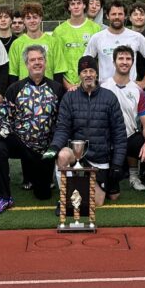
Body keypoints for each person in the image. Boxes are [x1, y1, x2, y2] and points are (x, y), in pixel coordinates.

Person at [0, 45, 64, 214]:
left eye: (40, 59)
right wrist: (7, 136)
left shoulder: (57, 88)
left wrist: (53, 148)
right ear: (26, 64)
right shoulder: (15, 88)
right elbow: (4, 118)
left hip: (45, 150)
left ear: (45, 62)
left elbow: (62, 122)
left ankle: (42, 177)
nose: (36, 63)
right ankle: (4, 197)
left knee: (43, 194)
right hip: (20, 144)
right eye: (32, 60)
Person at [43, 56, 127, 207]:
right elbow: (62, 128)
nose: (88, 74)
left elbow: (119, 133)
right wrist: (54, 147)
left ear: (96, 74)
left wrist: (117, 164)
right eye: (84, 71)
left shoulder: (109, 97)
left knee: (101, 201)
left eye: (91, 71)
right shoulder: (70, 97)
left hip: (101, 158)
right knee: (62, 155)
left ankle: (86, 184)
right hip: (78, 156)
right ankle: (66, 198)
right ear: (79, 74)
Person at [102, 45, 145, 193]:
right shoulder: (103, 87)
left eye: (128, 58)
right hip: (106, 142)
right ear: (114, 62)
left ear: (132, 62)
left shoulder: (137, 90)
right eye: (121, 58)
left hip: (129, 138)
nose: (124, 62)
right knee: (110, 195)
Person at [85, 0, 145, 88]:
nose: (117, 17)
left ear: (125, 16)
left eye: (120, 14)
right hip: (105, 90)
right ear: (107, 16)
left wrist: (144, 82)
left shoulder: (136, 37)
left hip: (130, 90)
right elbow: (85, 61)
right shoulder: (97, 37)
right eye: (113, 14)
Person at [53, 0, 101, 89]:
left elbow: (99, 59)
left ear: (84, 5)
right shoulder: (58, 31)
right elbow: (57, 62)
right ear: (68, 7)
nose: (76, 6)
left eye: (79, 3)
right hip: (67, 85)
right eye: (72, 4)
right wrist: (68, 85)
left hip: (90, 83)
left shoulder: (95, 29)